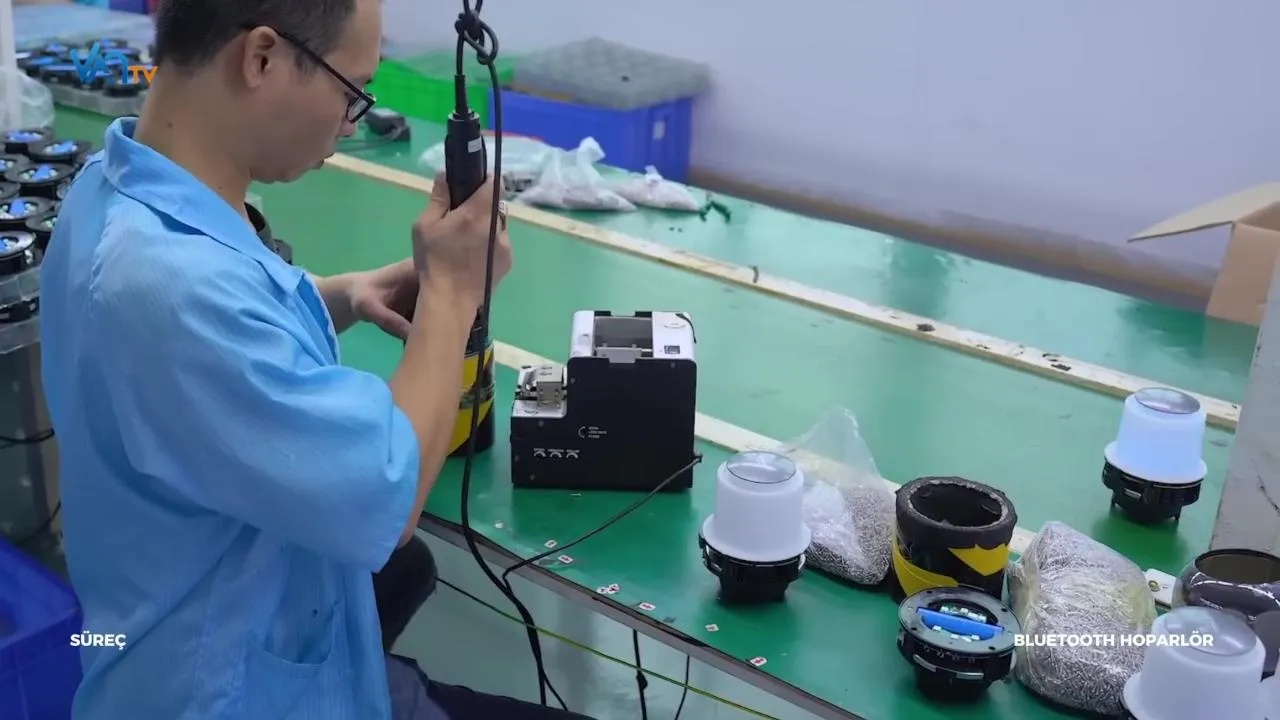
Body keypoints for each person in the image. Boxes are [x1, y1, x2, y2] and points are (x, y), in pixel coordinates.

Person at [38, 1, 595, 718]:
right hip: (224, 693)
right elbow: (385, 491)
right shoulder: (170, 287)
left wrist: (341, 296)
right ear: (261, 59)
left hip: (183, 629)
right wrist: (452, 295)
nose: (352, 123)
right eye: (351, 91)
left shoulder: (110, 185)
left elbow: (219, 335)